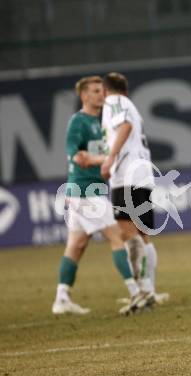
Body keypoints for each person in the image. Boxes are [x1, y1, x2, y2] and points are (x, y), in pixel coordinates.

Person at [52, 76, 144, 315]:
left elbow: (106, 152)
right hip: (85, 190)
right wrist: (78, 157)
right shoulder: (79, 121)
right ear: (84, 96)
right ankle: (136, 293)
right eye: (94, 91)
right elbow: (72, 150)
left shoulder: (104, 120)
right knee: (118, 237)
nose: (100, 94)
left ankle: (61, 298)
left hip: (90, 189)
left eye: (101, 90)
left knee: (77, 245)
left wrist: (102, 159)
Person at [100, 72, 169, 314]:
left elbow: (125, 127)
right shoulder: (130, 104)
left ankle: (144, 291)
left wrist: (109, 159)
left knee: (126, 232)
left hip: (126, 176)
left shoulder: (113, 103)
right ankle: (148, 290)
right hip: (141, 175)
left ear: (106, 91)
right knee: (142, 233)